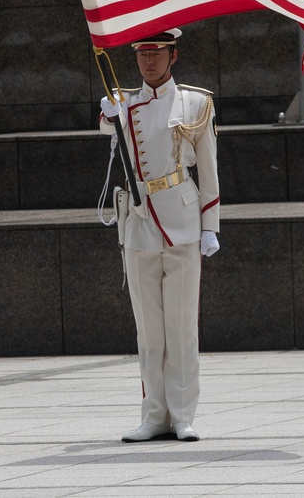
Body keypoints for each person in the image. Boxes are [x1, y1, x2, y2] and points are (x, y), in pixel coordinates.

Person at [98, 28, 220, 443]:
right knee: (149, 329)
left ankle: (182, 414)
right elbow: (104, 126)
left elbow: (209, 169)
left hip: (182, 219)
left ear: (174, 55)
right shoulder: (124, 103)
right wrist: (110, 112)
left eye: (157, 53)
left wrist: (211, 225)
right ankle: (154, 415)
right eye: (142, 53)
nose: (148, 61)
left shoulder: (196, 103)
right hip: (139, 221)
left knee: (182, 325)